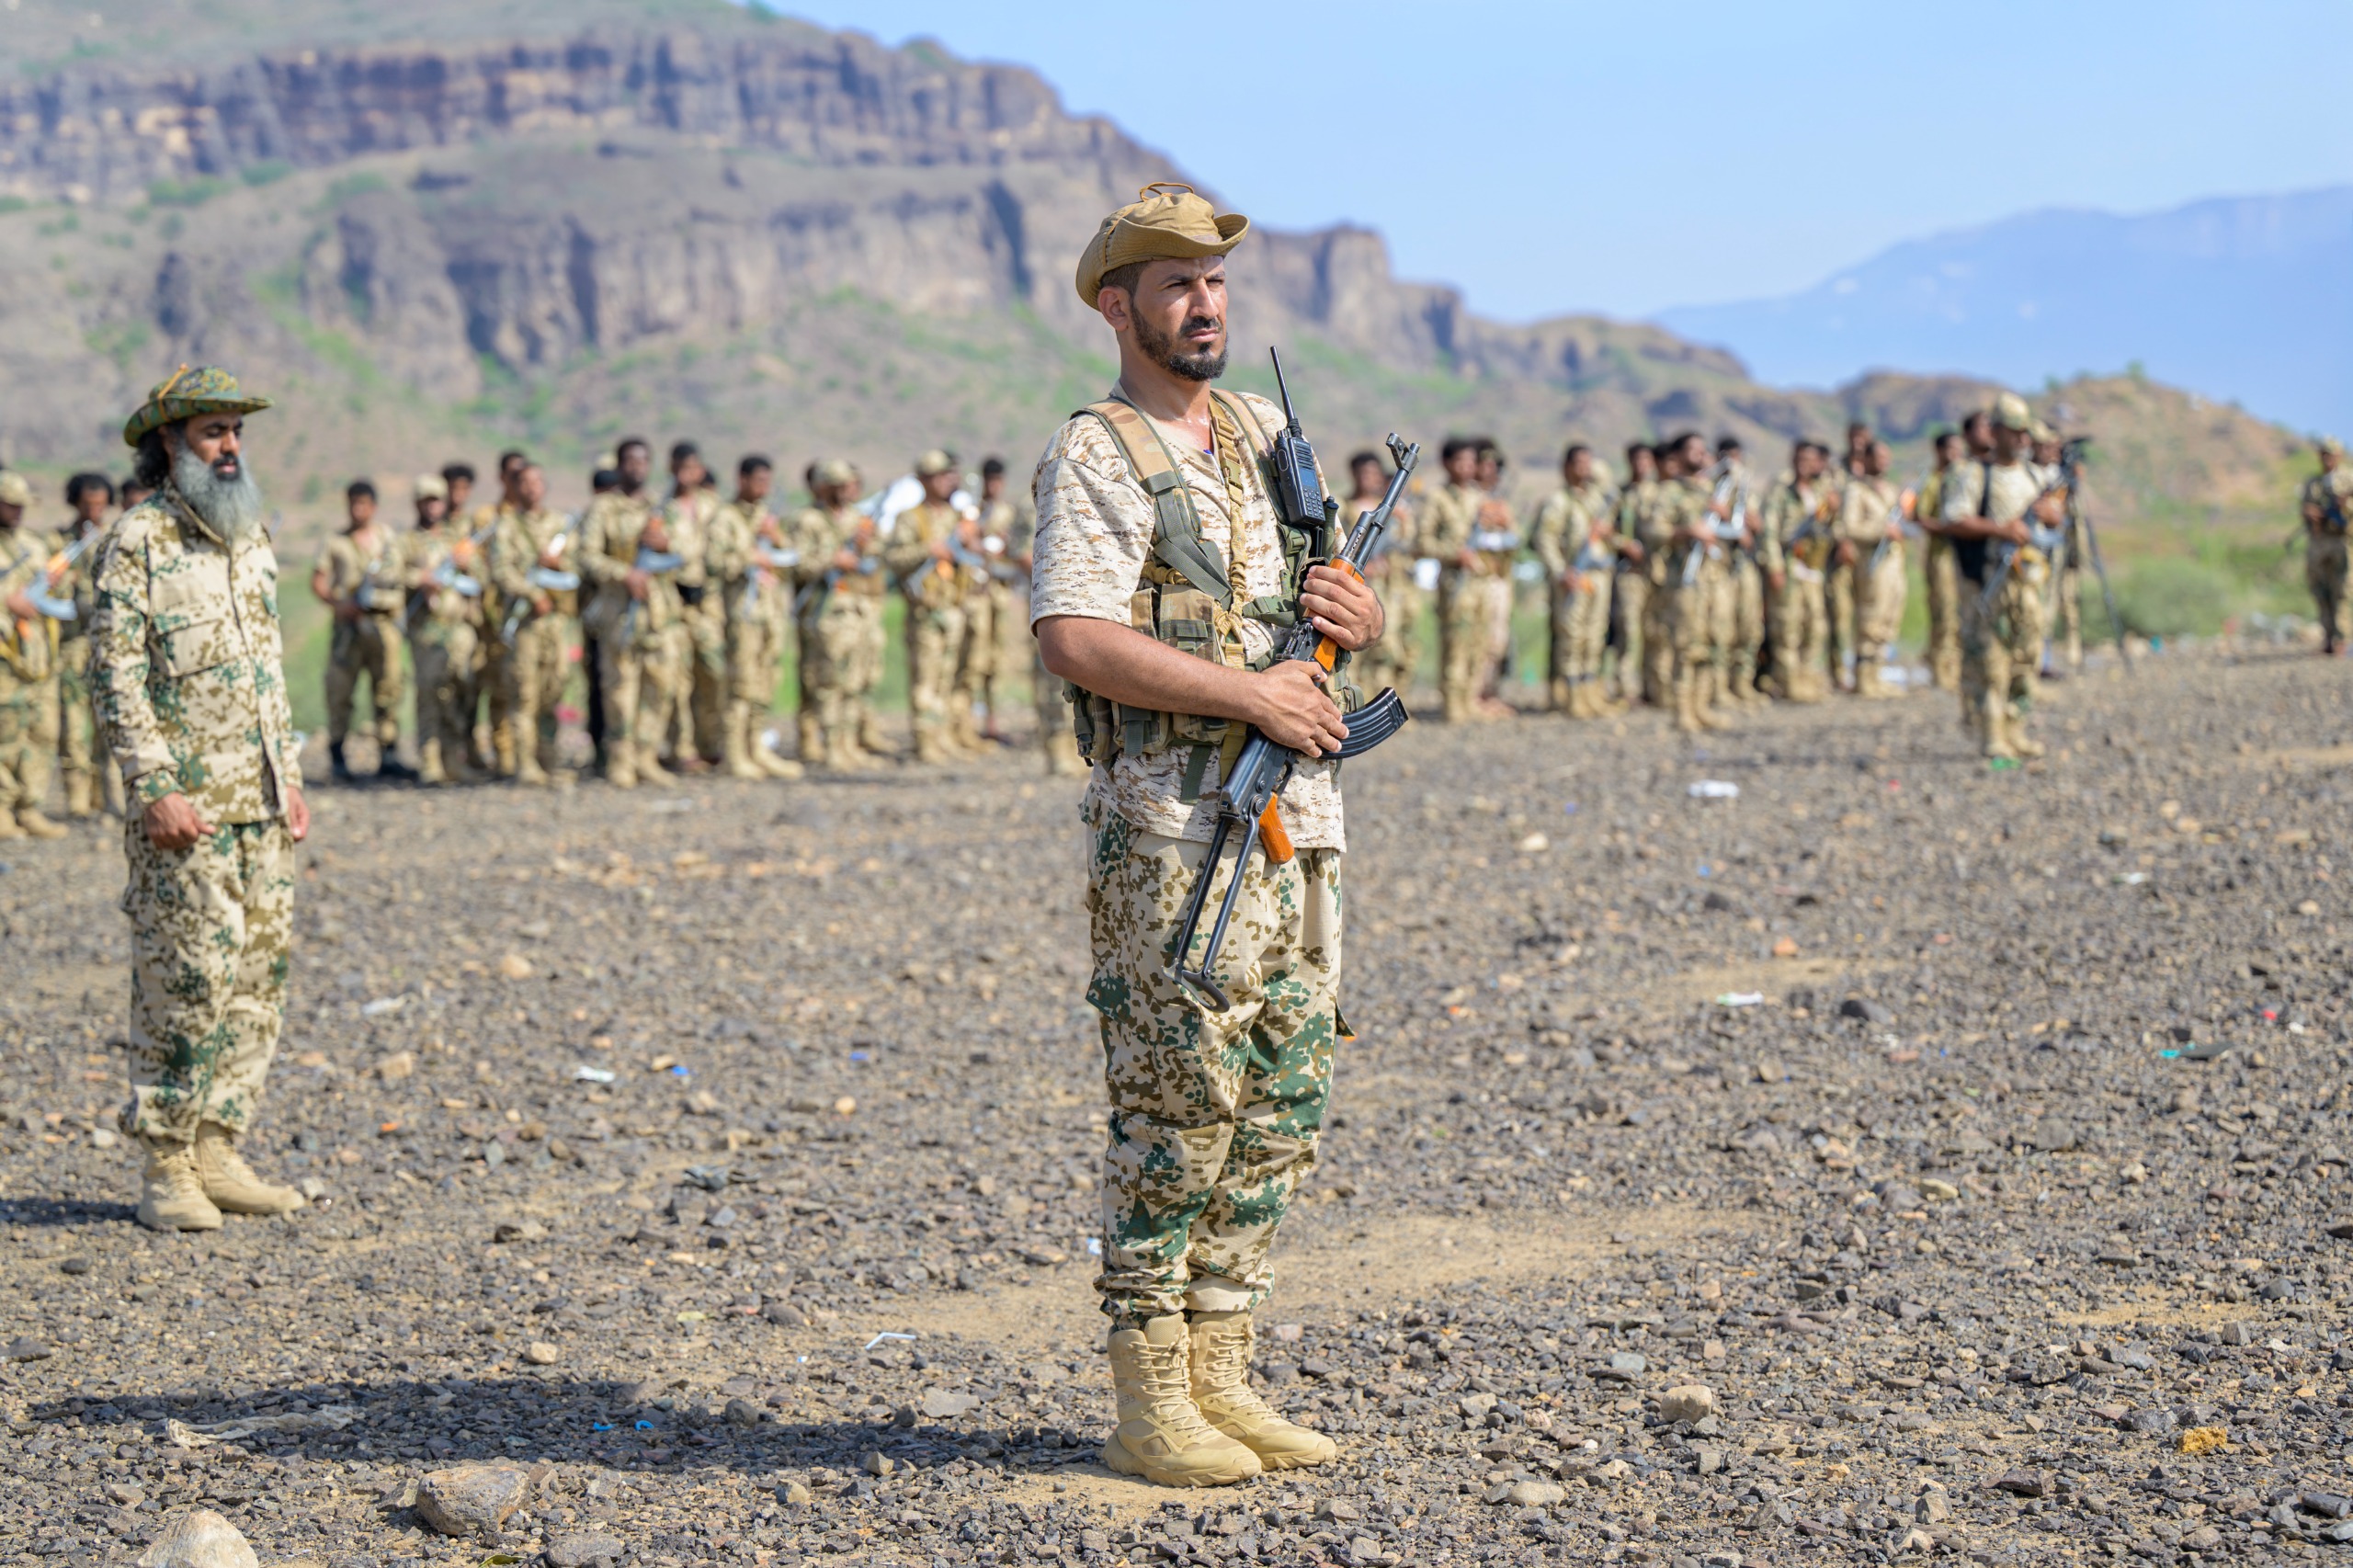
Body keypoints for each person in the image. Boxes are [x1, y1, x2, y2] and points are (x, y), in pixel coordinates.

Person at [1033, 182, 1372, 1487]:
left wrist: (1355, 615)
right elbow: (1075, 635)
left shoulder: (1265, 432)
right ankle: (1150, 1396)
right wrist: (1248, 694)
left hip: (1298, 818)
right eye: (1176, 283)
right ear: (1118, 308)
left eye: (1216, 280)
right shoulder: (1099, 452)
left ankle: (1224, 1371)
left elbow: (1311, 606)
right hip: (1174, 828)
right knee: (1177, 1103)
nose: (1205, 302)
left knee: (1284, 1093)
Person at [89, 366, 311, 1231]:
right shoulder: (138, 540)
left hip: (260, 802)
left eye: (236, 432)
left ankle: (218, 1145)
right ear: (170, 441)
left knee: (256, 982)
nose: (230, 447)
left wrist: (289, 777)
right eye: (214, 431)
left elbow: (267, 671)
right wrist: (153, 786)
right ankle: (167, 1165)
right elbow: (113, 675)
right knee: (185, 980)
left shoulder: (249, 536)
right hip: (186, 810)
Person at [1949, 392, 2062, 761]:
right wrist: (2001, 530)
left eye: (2024, 432)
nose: (2021, 439)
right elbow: (1956, 519)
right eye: (2014, 431)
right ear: (1995, 432)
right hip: (1989, 582)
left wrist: (2051, 516)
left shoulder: (2033, 475)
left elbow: (2055, 520)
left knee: (2026, 657)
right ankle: (1991, 733)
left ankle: (2016, 729)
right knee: (1991, 661)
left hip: (2028, 583)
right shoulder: (1975, 474)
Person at [579, 437, 683, 789]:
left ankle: (646, 756)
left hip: (659, 614)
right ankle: (620, 760)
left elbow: (692, 552)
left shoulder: (662, 508)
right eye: (630, 461)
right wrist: (625, 574)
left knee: (660, 686)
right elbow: (588, 556)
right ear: (620, 465)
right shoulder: (603, 509)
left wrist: (667, 544)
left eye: (643, 461)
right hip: (620, 613)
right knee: (620, 690)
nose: (637, 467)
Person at [985, 455, 1085, 776]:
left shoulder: (1080, 502)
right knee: (1050, 680)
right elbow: (1020, 553)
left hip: (1081, 606)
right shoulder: (1032, 506)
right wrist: (1054, 576)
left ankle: (1075, 746)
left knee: (1079, 678)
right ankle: (1055, 749)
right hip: (1048, 603)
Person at [783, 460, 885, 769]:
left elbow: (877, 556)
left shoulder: (857, 519)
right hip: (824, 613)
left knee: (853, 682)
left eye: (847, 485)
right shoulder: (807, 521)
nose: (844, 492)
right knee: (828, 683)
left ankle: (848, 743)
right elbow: (796, 563)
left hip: (855, 610)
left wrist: (866, 547)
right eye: (837, 486)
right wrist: (832, 560)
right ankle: (829, 745)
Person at [707, 454, 802, 779]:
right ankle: (735, 753)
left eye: (767, 481)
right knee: (741, 685)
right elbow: (715, 562)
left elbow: (790, 561)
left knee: (765, 682)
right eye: (758, 481)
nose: (763, 488)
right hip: (742, 614)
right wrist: (749, 556)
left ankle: (756, 746)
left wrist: (776, 539)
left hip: (770, 613)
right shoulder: (726, 517)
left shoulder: (767, 517)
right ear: (742, 480)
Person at [311, 479, 412, 783]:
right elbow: (318, 581)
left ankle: (388, 754)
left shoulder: (387, 540)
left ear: (374, 507)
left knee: (388, 689)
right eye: (353, 504)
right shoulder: (335, 542)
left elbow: (402, 575)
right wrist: (338, 604)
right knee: (340, 690)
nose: (358, 510)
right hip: (349, 628)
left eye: (363, 504)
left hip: (382, 626)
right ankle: (338, 756)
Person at [487, 462, 576, 787]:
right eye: (525, 482)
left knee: (554, 690)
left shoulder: (559, 524)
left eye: (537, 481)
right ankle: (525, 763)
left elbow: (577, 567)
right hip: (525, 622)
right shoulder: (507, 526)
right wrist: (531, 593)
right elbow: (501, 570)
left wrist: (558, 563)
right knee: (524, 692)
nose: (532, 488)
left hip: (556, 621)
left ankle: (548, 759)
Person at [886, 449, 977, 764]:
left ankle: (942, 736)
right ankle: (924, 740)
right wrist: (928, 549)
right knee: (926, 678)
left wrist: (969, 541)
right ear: (925, 481)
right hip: (925, 611)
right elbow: (894, 558)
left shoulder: (955, 517)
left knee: (946, 677)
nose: (948, 481)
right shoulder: (910, 518)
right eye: (941, 476)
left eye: (950, 476)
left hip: (952, 607)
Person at [397, 474, 485, 784]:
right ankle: (430, 759)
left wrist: (467, 564)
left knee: (457, 691)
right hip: (426, 630)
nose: (432, 507)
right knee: (429, 693)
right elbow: (389, 574)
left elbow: (481, 577)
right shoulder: (407, 541)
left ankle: (454, 757)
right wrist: (420, 579)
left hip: (458, 627)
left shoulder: (457, 539)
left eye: (436, 500)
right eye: (426, 501)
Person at [0, 472, 71, 839]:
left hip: (39, 657)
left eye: (21, 506)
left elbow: (56, 598)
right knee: (5, 734)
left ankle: (30, 807)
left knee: (42, 733)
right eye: (10, 505)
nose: (18, 512)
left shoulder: (34, 544)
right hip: (5, 660)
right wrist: (7, 602)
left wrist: (57, 583)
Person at [1529, 443, 1618, 717]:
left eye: (1588, 463)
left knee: (1594, 635)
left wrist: (1606, 533)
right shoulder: (1559, 502)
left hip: (1597, 577)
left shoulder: (1596, 499)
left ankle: (1589, 691)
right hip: (1574, 577)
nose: (1586, 469)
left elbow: (1607, 481)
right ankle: (1571, 695)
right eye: (1580, 464)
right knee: (1572, 637)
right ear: (1567, 467)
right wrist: (1560, 572)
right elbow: (1544, 539)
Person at [1659, 431, 1734, 733]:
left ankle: (1702, 706)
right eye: (1693, 449)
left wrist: (1725, 516)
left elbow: (1733, 531)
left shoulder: (1712, 492)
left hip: (1715, 578)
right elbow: (1653, 529)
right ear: (1677, 456)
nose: (1700, 454)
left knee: (1713, 642)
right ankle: (1682, 709)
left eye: (1703, 449)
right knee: (1686, 644)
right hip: (1686, 580)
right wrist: (1686, 531)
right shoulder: (1669, 492)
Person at [52, 472, 117, 819]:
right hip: (73, 646)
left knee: (107, 725)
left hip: (108, 646)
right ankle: (77, 800)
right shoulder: (60, 543)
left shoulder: (115, 539)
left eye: (100, 504)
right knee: (74, 727)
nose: (94, 511)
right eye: (88, 504)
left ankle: (106, 797)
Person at [659, 442, 726, 770]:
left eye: (693, 469)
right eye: (682, 468)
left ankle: (711, 742)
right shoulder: (661, 509)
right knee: (678, 680)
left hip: (709, 603)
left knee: (714, 673)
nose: (688, 475)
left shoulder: (714, 508)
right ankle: (682, 748)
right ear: (671, 469)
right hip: (675, 603)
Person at [1422, 437, 1498, 722]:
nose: (1466, 467)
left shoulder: (1481, 498)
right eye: (1460, 461)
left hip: (1480, 582)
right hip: (1455, 583)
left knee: (1479, 643)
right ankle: (1453, 703)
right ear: (1446, 463)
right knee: (1456, 643)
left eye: (1471, 461)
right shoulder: (1438, 498)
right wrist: (1455, 554)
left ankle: (1470, 699)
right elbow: (1423, 542)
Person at [1343, 449, 1423, 706]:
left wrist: (1403, 521)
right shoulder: (1345, 507)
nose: (1369, 478)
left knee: (1386, 648)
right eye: (1364, 472)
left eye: (1374, 473)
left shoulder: (1390, 511)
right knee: (1353, 652)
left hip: (1387, 590)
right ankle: (1352, 705)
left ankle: (1381, 701)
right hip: (1354, 586)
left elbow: (1408, 545)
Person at [464, 452, 525, 776]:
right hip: (488, 615)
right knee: (479, 682)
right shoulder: (487, 517)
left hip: (519, 614)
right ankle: (473, 749)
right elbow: (475, 560)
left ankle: (507, 754)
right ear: (502, 477)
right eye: (512, 474)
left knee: (511, 684)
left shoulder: (531, 518)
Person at [1763, 441, 1836, 702]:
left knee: (1815, 627)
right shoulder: (1781, 493)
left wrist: (1834, 510)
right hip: (1790, 566)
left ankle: (1809, 680)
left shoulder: (1821, 493)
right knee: (1788, 627)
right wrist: (1775, 567)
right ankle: (1789, 684)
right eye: (1801, 458)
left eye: (1810, 459)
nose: (1805, 464)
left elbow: (1830, 528)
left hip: (1813, 569)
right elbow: (1770, 532)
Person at [1837, 439, 1909, 699]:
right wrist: (1881, 530)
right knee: (1871, 620)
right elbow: (1849, 526)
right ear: (1866, 459)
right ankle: (1864, 679)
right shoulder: (1856, 490)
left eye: (1886, 457)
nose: (1883, 462)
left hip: (1894, 564)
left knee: (1889, 618)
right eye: (1878, 457)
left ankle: (1877, 675)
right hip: (1871, 563)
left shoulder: (1890, 490)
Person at [1715, 436, 1768, 705]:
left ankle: (1742, 682)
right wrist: (1725, 516)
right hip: (1720, 567)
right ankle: (1719, 685)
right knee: (1722, 627)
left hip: (1744, 565)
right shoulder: (1711, 489)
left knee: (1749, 627)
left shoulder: (1747, 491)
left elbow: (1758, 526)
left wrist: (1754, 524)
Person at [1914, 429, 1967, 690]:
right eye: (1951, 449)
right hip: (1940, 558)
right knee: (1943, 612)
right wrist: (1948, 527)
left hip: (1961, 557)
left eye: (1958, 448)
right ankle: (1941, 670)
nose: (1956, 454)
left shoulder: (1963, 478)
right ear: (1939, 451)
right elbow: (1921, 517)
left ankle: (1954, 667)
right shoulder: (1932, 481)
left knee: (1959, 613)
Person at [1611, 443, 1663, 707]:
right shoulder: (1620, 495)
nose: (1642, 464)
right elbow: (1606, 529)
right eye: (1637, 459)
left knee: (1655, 631)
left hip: (1656, 573)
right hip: (1629, 572)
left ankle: (1654, 685)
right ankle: (1626, 687)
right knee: (1629, 630)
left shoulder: (1660, 493)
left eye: (1646, 459)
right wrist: (1624, 544)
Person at [1472, 440, 1518, 714]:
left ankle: (1491, 692)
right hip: (1479, 579)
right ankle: (1474, 695)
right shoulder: (1471, 499)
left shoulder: (1501, 503)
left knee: (1498, 640)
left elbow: (1515, 540)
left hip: (1500, 578)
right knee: (1479, 639)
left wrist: (1505, 523)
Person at [2299, 437, 2352, 655]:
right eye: (2323, 454)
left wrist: (2345, 505)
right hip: (2318, 542)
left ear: (2339, 455)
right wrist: (2311, 513)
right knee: (2320, 590)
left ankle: (2341, 638)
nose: (2326, 458)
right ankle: (2328, 637)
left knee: (2342, 590)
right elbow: (2304, 508)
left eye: (2330, 454)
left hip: (2342, 541)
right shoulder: (2314, 483)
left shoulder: (2348, 479)